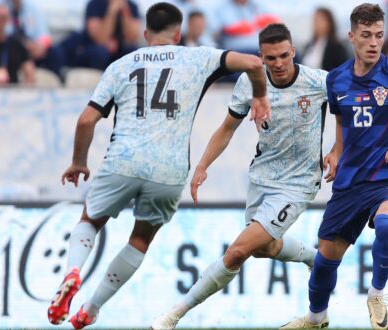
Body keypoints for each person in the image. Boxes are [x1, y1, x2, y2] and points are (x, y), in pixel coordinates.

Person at [46, 3, 269, 329]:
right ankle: (91, 308)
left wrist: (79, 161)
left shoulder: (121, 65)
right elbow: (252, 62)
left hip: (123, 161)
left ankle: (73, 272)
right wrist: (260, 96)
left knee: (91, 220)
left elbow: (86, 120)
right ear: (178, 34)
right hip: (169, 170)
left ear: (146, 33)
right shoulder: (198, 57)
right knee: (140, 239)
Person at [150, 22, 332, 330]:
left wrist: (339, 149)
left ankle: (173, 316)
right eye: (270, 58)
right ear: (261, 56)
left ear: (293, 52)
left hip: (298, 184)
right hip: (261, 179)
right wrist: (202, 165)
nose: (278, 64)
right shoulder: (250, 84)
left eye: (284, 56)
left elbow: (350, 112)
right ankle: (315, 259)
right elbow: (226, 129)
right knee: (265, 248)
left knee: (237, 252)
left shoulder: (319, 82)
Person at [281, 3, 388, 329]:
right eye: (366, 35)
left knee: (387, 224)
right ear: (352, 36)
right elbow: (344, 124)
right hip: (349, 183)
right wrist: (335, 152)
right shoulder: (338, 80)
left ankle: (376, 294)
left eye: (379, 35)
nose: (374, 42)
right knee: (325, 261)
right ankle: (315, 319)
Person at [60, 0, 141, 70]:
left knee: (134, 53)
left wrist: (125, 11)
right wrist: (112, 11)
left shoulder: (131, 7)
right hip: (94, 51)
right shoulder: (94, 5)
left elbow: (132, 38)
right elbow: (100, 39)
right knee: (100, 52)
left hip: (117, 53)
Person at [4, 0, 64, 78]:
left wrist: (40, 46)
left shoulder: (33, 8)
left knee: (56, 53)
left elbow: (45, 35)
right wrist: (23, 45)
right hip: (12, 48)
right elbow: (4, 35)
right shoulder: (2, 7)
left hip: (32, 49)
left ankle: (57, 82)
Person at [302, 7, 349, 71]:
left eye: (320, 20)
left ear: (329, 23)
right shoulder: (309, 46)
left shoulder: (336, 47)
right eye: (315, 20)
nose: (317, 23)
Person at [0, 3, 34, 85]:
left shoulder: (16, 45)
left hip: (12, 93)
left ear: (8, 19)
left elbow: (30, 74)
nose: (0, 21)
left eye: (3, 17)